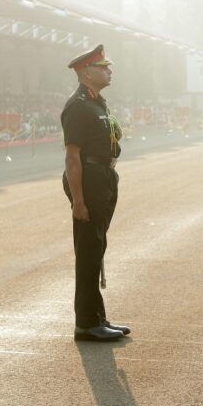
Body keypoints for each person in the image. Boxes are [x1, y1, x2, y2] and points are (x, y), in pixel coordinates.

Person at [61, 44, 130, 342]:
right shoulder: (77, 106)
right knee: (89, 250)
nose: (109, 70)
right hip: (87, 177)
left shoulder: (97, 102)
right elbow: (72, 157)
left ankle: (97, 316)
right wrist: (78, 200)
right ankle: (86, 323)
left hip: (103, 175)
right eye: (103, 67)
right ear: (86, 72)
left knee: (96, 246)